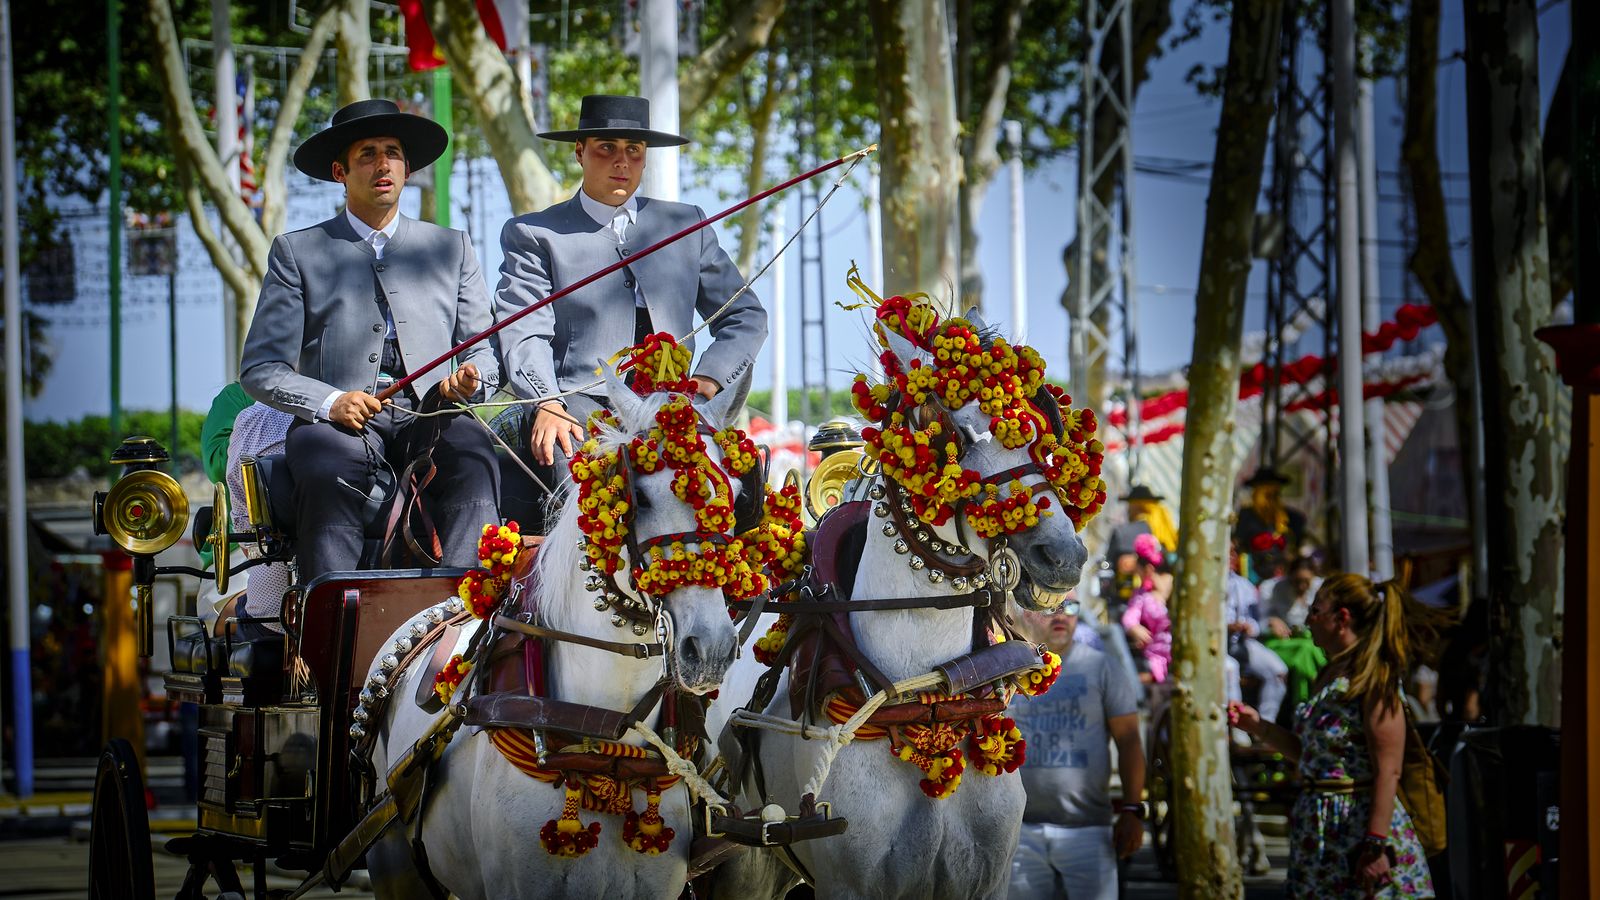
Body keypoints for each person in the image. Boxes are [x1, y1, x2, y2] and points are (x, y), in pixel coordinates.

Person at [239, 98, 502, 582]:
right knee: (327, 470)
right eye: (368, 154)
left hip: (434, 412)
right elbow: (261, 370)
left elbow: (482, 349)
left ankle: (466, 611)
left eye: (393, 153)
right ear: (340, 172)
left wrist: (472, 379)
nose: (383, 165)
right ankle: (331, 616)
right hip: (338, 426)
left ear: (407, 169)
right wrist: (331, 402)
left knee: (475, 455)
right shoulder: (296, 252)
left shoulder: (453, 248)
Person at [493, 94, 768, 528]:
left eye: (634, 150)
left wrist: (710, 378)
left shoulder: (687, 225)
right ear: (579, 152)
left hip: (678, 407)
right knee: (582, 479)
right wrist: (547, 402)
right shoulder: (534, 233)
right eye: (607, 147)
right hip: (580, 406)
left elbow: (746, 315)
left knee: (742, 486)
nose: (622, 161)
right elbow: (524, 330)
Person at [1230, 574, 1444, 898]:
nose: (1308, 621)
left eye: (1315, 611)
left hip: (1358, 833)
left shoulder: (1374, 679)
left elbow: (1388, 770)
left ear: (1341, 618)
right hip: (1319, 834)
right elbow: (1312, 756)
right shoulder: (1330, 673)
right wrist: (1259, 726)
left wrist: (1375, 843)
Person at [1009, 593, 1146, 900]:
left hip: (1088, 830)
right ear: (1028, 612)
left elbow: (1129, 740)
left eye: (1070, 606)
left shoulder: (1102, 667)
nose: (1061, 615)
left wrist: (1132, 809)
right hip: (1018, 831)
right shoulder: (1008, 670)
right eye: (1051, 607)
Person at [1225, 543, 1289, 725]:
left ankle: (1265, 725)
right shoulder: (1204, 585)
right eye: (1227, 552)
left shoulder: (1244, 585)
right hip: (1216, 645)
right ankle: (1236, 726)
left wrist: (1249, 627)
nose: (1232, 556)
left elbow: (1257, 622)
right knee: (1230, 669)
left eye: (1234, 552)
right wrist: (1225, 627)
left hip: (1242, 643)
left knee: (1278, 671)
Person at [1235, 467, 1308, 581]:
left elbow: (1296, 548)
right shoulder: (1245, 516)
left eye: (1274, 494)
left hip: (1283, 576)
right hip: (1252, 574)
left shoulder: (1293, 518)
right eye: (1266, 494)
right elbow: (1239, 545)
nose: (1270, 499)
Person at [1120, 533, 1173, 684]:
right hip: (1154, 658)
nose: (1138, 576)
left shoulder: (1175, 585)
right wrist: (1134, 628)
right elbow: (1130, 617)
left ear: (1148, 570)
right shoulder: (1142, 595)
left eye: (1138, 572)